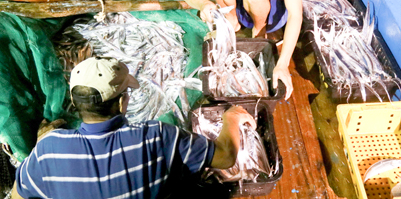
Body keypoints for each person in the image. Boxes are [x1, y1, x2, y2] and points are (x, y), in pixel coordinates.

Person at [12, 56, 256, 199]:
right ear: (121, 102)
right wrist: (231, 118)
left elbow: (16, 196)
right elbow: (225, 157)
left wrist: (45, 144)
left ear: (74, 102)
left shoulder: (47, 150)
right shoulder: (156, 136)